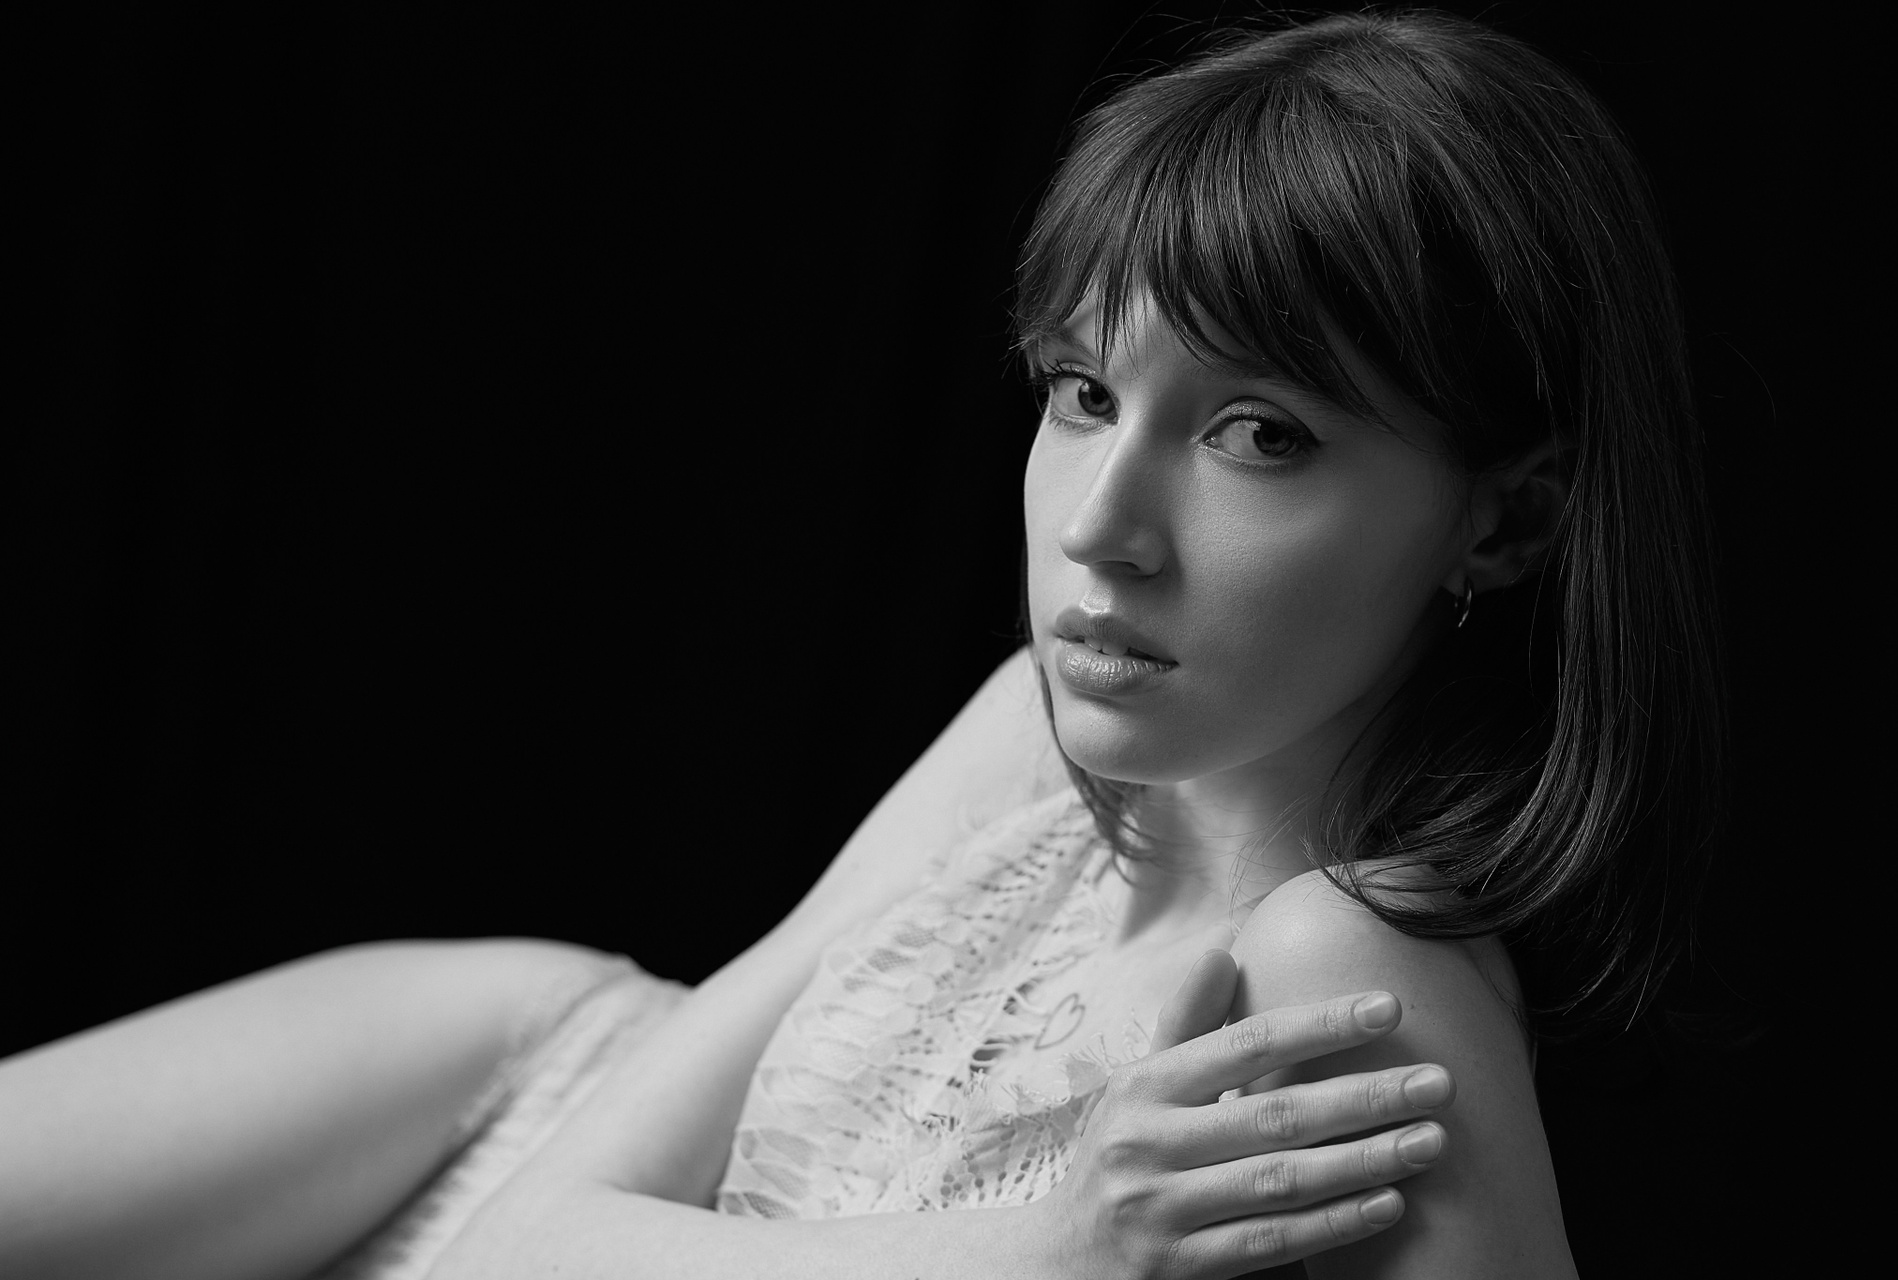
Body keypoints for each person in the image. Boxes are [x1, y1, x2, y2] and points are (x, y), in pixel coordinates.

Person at [0, 10, 1723, 1278]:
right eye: (1084, 393)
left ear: (1506, 521)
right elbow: (517, 1244)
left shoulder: (1349, 976)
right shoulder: (1031, 725)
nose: (1099, 526)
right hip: (502, 1082)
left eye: (1258, 433)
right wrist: (1043, 1252)